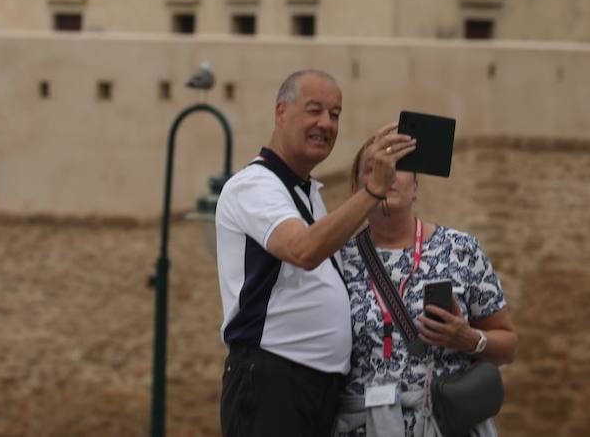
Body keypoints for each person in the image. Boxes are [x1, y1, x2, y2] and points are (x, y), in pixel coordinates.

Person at [216, 69, 416, 437]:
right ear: (280, 112)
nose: (326, 123)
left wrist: (367, 179)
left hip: (313, 390)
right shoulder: (254, 185)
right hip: (273, 383)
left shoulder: (306, 192)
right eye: (314, 110)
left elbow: (325, 236)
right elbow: (303, 249)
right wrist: (373, 189)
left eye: (335, 114)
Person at [333, 139, 518, 437]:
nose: (388, 173)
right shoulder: (336, 260)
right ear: (356, 190)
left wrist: (468, 339)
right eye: (374, 167)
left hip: (446, 426)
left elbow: (508, 346)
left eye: (399, 166)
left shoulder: (461, 249)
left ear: (415, 187)